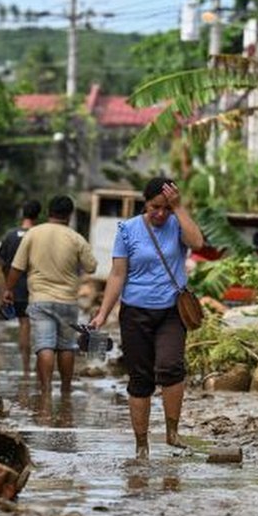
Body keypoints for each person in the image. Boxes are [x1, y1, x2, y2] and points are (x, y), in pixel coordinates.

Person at [88, 177, 205, 460]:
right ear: (145, 203)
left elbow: (198, 242)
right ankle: (141, 445)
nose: (161, 214)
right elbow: (118, 274)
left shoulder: (177, 223)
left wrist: (180, 208)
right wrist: (103, 313)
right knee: (140, 379)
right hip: (135, 312)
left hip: (171, 312)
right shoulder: (127, 230)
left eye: (166, 208)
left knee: (171, 367)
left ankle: (172, 432)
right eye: (155, 207)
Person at [3, 195, 97, 395]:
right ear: (70, 215)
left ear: (48, 212)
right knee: (66, 346)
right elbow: (91, 267)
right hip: (68, 301)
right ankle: (65, 390)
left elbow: (16, 267)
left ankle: (45, 390)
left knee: (44, 344)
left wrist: (8, 289)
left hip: (40, 299)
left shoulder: (33, 234)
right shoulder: (76, 237)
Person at [0, 200, 41, 380]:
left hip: (17, 287)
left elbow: (1, 262)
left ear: (23, 213)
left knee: (24, 324)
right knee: (40, 326)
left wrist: (7, 285)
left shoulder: (10, 235)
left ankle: (25, 368)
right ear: (38, 215)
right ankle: (40, 368)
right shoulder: (39, 235)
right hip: (38, 287)